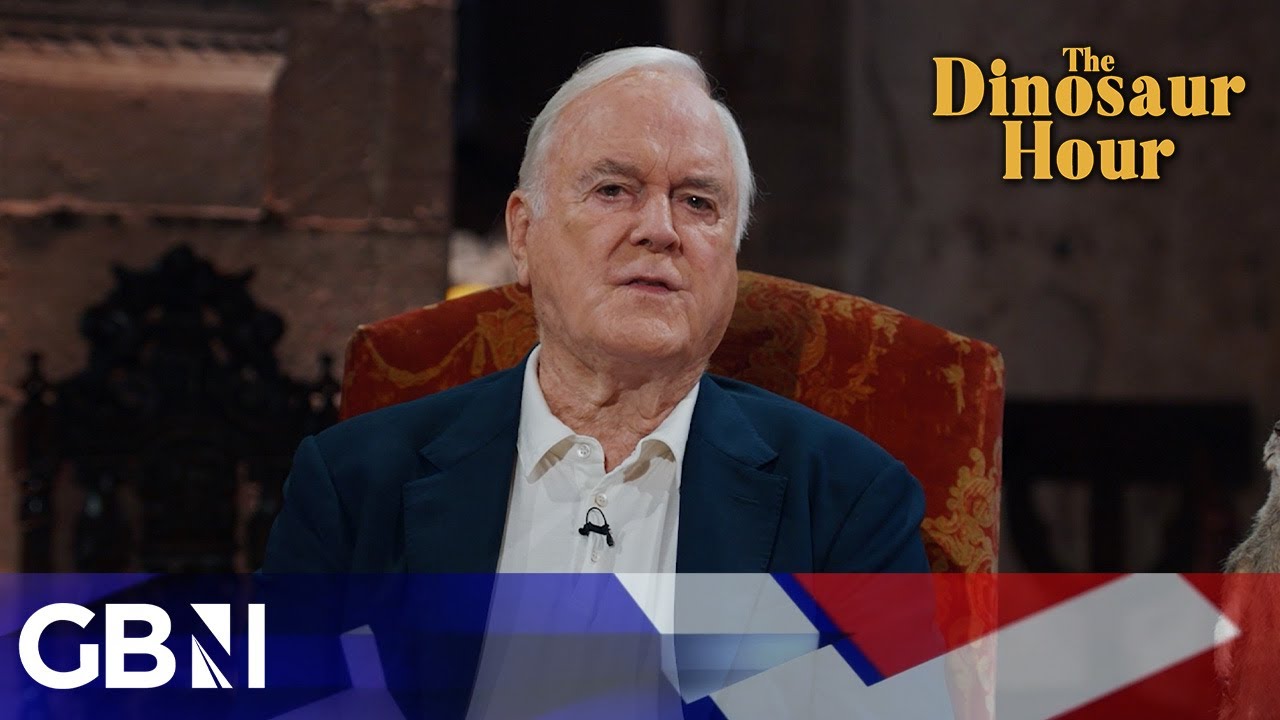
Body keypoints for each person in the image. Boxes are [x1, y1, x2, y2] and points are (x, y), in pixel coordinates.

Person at [258, 46, 935, 717]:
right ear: (523, 233)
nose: (660, 230)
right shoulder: (353, 482)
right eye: (613, 190)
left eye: (698, 202)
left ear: (731, 256)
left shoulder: (847, 500)